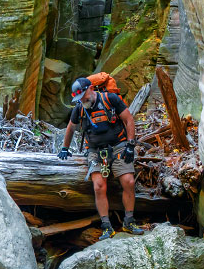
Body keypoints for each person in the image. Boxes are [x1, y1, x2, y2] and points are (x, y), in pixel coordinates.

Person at [56, 76, 144, 240]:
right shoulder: (79, 108)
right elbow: (70, 128)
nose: (82, 100)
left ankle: (129, 221)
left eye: (83, 96)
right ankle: (106, 226)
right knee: (98, 186)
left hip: (119, 146)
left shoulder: (110, 99)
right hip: (95, 151)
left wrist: (130, 145)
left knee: (128, 181)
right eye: (79, 98)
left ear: (91, 88)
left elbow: (128, 119)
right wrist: (64, 148)